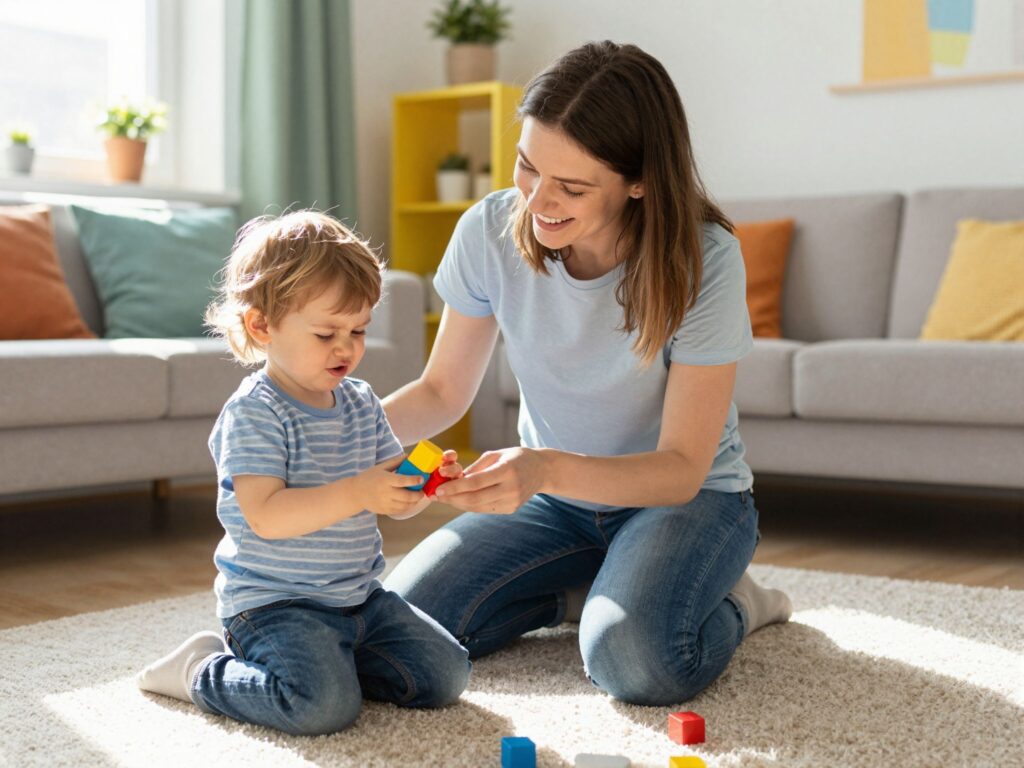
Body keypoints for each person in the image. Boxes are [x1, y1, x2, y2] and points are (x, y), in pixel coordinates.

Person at [383, 41, 792, 706]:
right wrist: (329, 429)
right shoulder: (489, 232)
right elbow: (441, 391)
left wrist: (541, 468)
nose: (538, 201)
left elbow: (684, 464)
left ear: (640, 181)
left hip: (687, 503)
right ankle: (585, 593)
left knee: (634, 661)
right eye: (527, 168)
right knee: (398, 629)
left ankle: (739, 603)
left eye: (571, 187)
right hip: (557, 509)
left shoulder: (705, 261)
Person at [136, 211, 469, 735]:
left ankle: (333, 664)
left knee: (446, 675)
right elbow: (266, 516)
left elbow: (382, 483)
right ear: (262, 326)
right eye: (326, 333)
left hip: (359, 597)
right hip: (275, 606)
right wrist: (360, 491)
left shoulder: (360, 402)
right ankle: (201, 670)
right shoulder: (256, 412)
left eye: (359, 330)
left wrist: (422, 484)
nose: (347, 347)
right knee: (321, 708)